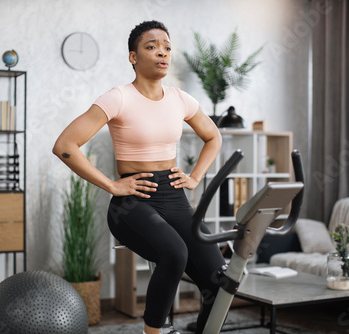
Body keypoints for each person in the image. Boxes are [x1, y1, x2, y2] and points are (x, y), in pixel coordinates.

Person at [53, 20, 225, 334]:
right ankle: (153, 332)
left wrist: (196, 177)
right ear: (133, 57)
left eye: (167, 47)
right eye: (151, 46)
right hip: (132, 204)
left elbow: (213, 137)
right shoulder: (118, 97)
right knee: (174, 253)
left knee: (220, 278)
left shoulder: (180, 98)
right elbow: (65, 146)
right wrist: (111, 185)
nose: (162, 53)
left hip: (174, 198)